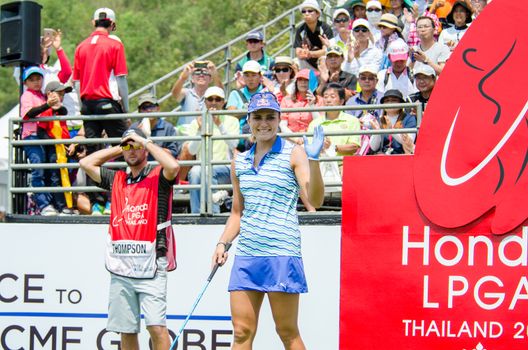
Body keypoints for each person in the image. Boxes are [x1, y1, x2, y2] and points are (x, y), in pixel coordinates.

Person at [212, 91, 325, 349]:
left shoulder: (294, 154)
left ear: (278, 119)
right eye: (258, 117)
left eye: (270, 117)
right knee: (241, 332)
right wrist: (222, 244)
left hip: (281, 254)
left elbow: (315, 200)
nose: (264, 123)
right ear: (249, 120)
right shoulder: (238, 161)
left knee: (286, 331)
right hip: (247, 255)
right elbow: (237, 214)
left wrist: (315, 161)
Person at [79, 127, 180, 350]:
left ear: (144, 148)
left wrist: (145, 141)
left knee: (156, 327)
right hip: (121, 266)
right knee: (126, 329)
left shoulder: (158, 176)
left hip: (152, 263)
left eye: (135, 146)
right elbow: (86, 163)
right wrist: (122, 144)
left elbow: (174, 166)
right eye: (128, 147)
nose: (131, 150)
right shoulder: (117, 179)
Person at [73, 7, 129, 155]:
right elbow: (121, 79)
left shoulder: (80, 47)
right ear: (112, 24)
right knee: (124, 146)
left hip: (87, 105)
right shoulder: (115, 45)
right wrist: (126, 109)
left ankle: (95, 179)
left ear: (94, 22)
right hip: (107, 102)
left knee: (92, 151)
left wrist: (82, 106)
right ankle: (119, 179)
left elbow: (77, 83)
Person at [20, 67, 71, 216]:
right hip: (31, 136)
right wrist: (47, 105)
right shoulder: (27, 96)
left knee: (48, 172)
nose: (36, 82)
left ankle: (52, 204)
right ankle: (43, 205)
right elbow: (28, 114)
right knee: (38, 171)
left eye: (38, 78)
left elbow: (59, 111)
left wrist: (54, 105)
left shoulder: (43, 96)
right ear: (25, 82)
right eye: (32, 79)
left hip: (44, 137)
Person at [186, 87, 239, 214]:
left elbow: (233, 144)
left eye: (217, 99)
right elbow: (192, 151)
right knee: (195, 172)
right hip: (203, 168)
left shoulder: (232, 120)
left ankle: (214, 213)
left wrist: (219, 124)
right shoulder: (196, 122)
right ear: (205, 102)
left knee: (206, 170)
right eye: (210, 99)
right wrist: (200, 129)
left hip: (225, 168)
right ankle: (196, 214)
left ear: (223, 102)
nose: (213, 102)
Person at [171, 60, 223, 128]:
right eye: (197, 73)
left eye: (205, 73)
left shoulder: (213, 96)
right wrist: (182, 78)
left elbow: (221, 93)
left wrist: (215, 74)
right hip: (187, 135)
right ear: (192, 79)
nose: (201, 75)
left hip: (206, 134)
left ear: (210, 79)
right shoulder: (187, 93)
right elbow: (175, 93)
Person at [131, 93, 181, 160]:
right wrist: (138, 137)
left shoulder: (168, 127)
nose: (148, 110)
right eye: (144, 108)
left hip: (161, 167)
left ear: (158, 108)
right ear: (139, 111)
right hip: (140, 167)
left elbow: (174, 153)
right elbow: (127, 152)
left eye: (151, 106)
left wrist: (151, 145)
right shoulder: (134, 128)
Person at [370, 89, 417, 154]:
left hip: (402, 156)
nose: (390, 103)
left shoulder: (409, 118)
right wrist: (377, 131)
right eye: (387, 101)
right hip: (383, 157)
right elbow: (374, 147)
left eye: (394, 100)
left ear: (401, 104)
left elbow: (409, 143)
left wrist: (391, 130)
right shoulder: (379, 120)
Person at [293, 0, 334, 70]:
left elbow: (326, 51)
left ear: (318, 14)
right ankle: (299, 81)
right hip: (307, 61)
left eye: (310, 11)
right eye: (304, 11)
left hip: (324, 61)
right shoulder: (300, 30)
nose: (306, 13)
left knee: (323, 60)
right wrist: (303, 53)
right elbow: (298, 51)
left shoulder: (325, 28)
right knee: (294, 63)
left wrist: (310, 54)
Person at [280, 69, 320, 138]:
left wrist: (312, 105)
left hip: (312, 138)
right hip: (290, 139)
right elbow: (283, 125)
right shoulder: (286, 100)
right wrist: (295, 139)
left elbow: (319, 123)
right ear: (296, 82)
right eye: (300, 80)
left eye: (306, 80)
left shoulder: (320, 100)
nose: (303, 82)